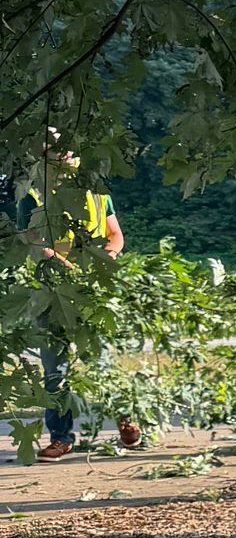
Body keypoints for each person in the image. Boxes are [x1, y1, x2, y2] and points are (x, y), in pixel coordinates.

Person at [16, 136, 139, 461]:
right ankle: (61, 438)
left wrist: (108, 257)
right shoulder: (30, 196)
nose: (68, 153)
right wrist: (65, 265)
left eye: (70, 148)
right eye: (59, 149)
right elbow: (32, 240)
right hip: (51, 294)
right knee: (56, 369)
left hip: (93, 291)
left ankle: (127, 422)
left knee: (101, 362)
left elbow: (116, 235)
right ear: (43, 158)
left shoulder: (96, 191)